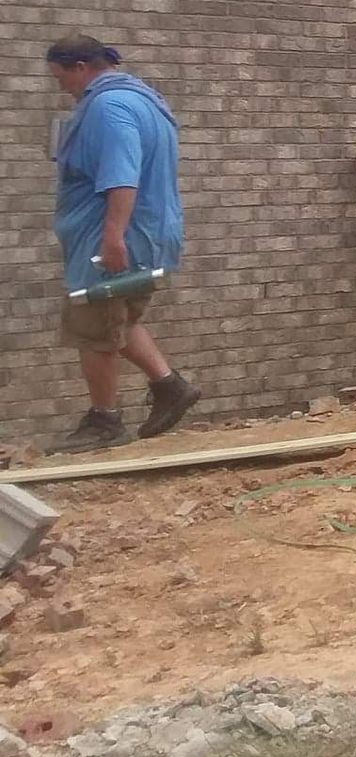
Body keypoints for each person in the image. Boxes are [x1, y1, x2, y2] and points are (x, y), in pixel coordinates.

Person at [45, 35, 200, 453]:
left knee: (93, 328)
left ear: (80, 66)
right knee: (119, 319)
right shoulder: (143, 100)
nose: (63, 87)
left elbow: (121, 176)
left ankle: (105, 421)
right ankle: (170, 387)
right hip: (143, 233)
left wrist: (112, 237)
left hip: (117, 238)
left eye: (62, 78)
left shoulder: (109, 108)